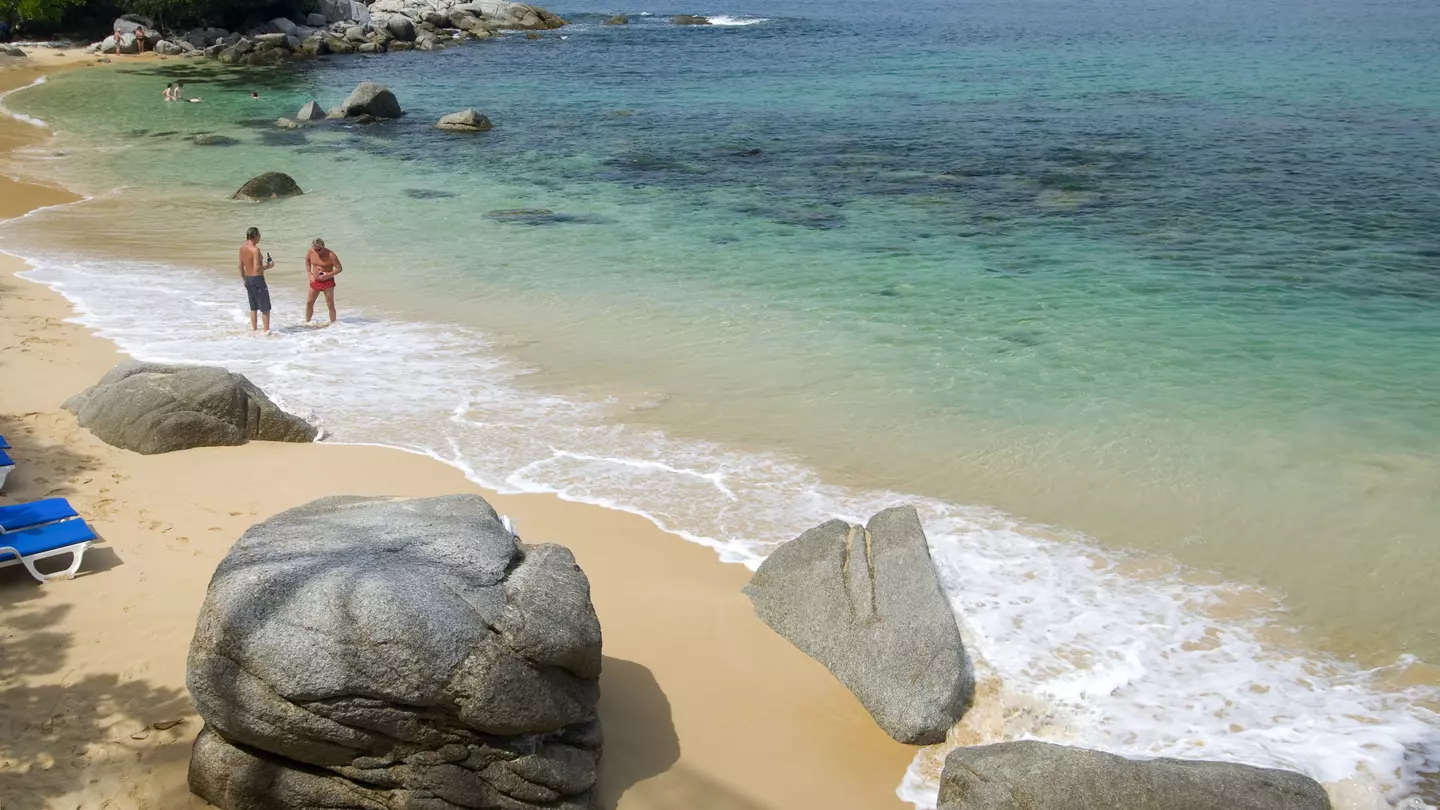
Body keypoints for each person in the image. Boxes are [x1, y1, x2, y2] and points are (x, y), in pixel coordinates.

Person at [239, 226, 274, 332]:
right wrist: (269, 266)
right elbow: (257, 268)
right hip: (257, 279)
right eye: (259, 235)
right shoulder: (255, 250)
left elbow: (240, 266)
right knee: (265, 308)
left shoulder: (242, 248)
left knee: (253, 307)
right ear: (254, 235)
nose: (260, 237)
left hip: (248, 279)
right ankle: (266, 331)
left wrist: (244, 280)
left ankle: (254, 330)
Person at [304, 238, 343, 325]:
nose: (317, 251)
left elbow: (339, 268)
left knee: (330, 304)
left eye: (319, 249)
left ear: (323, 247)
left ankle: (333, 325)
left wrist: (328, 275)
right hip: (315, 280)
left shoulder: (331, 255)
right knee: (309, 302)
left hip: (327, 282)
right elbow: (307, 260)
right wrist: (309, 273)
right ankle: (307, 322)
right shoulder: (311, 251)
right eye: (315, 249)